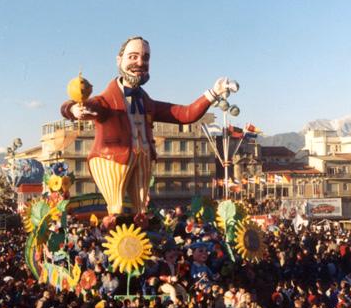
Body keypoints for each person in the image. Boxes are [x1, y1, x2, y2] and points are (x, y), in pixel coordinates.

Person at [61, 36, 238, 223]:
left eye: (145, 58)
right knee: (116, 210)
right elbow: (82, 106)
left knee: (140, 212)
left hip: (143, 158)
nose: (140, 63)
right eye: (133, 57)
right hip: (112, 159)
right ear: (119, 60)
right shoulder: (106, 101)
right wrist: (73, 109)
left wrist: (213, 93)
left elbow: (185, 114)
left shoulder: (147, 103)